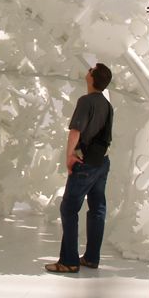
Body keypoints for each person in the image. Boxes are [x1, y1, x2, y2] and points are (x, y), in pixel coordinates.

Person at [45, 63, 113, 273]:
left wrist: (69, 156)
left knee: (69, 208)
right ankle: (91, 258)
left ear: (92, 77)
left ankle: (69, 261)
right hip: (102, 161)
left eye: (91, 70)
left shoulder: (86, 101)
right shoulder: (107, 105)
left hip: (85, 164)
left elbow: (76, 131)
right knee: (97, 208)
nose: (88, 71)